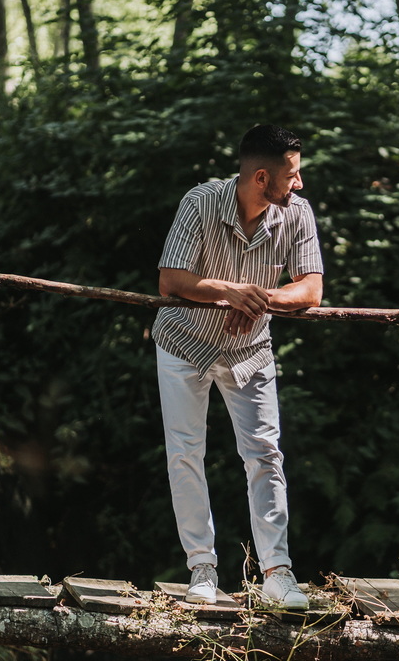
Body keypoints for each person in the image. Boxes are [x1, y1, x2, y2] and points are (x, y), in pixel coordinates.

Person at [152, 124, 324, 610]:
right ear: (262, 177)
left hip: (251, 351)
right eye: (293, 175)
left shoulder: (297, 213)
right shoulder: (202, 202)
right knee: (185, 453)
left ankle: (277, 573)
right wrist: (229, 291)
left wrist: (259, 299)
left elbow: (310, 289)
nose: (300, 184)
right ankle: (202, 569)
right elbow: (170, 279)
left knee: (265, 453)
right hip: (183, 342)